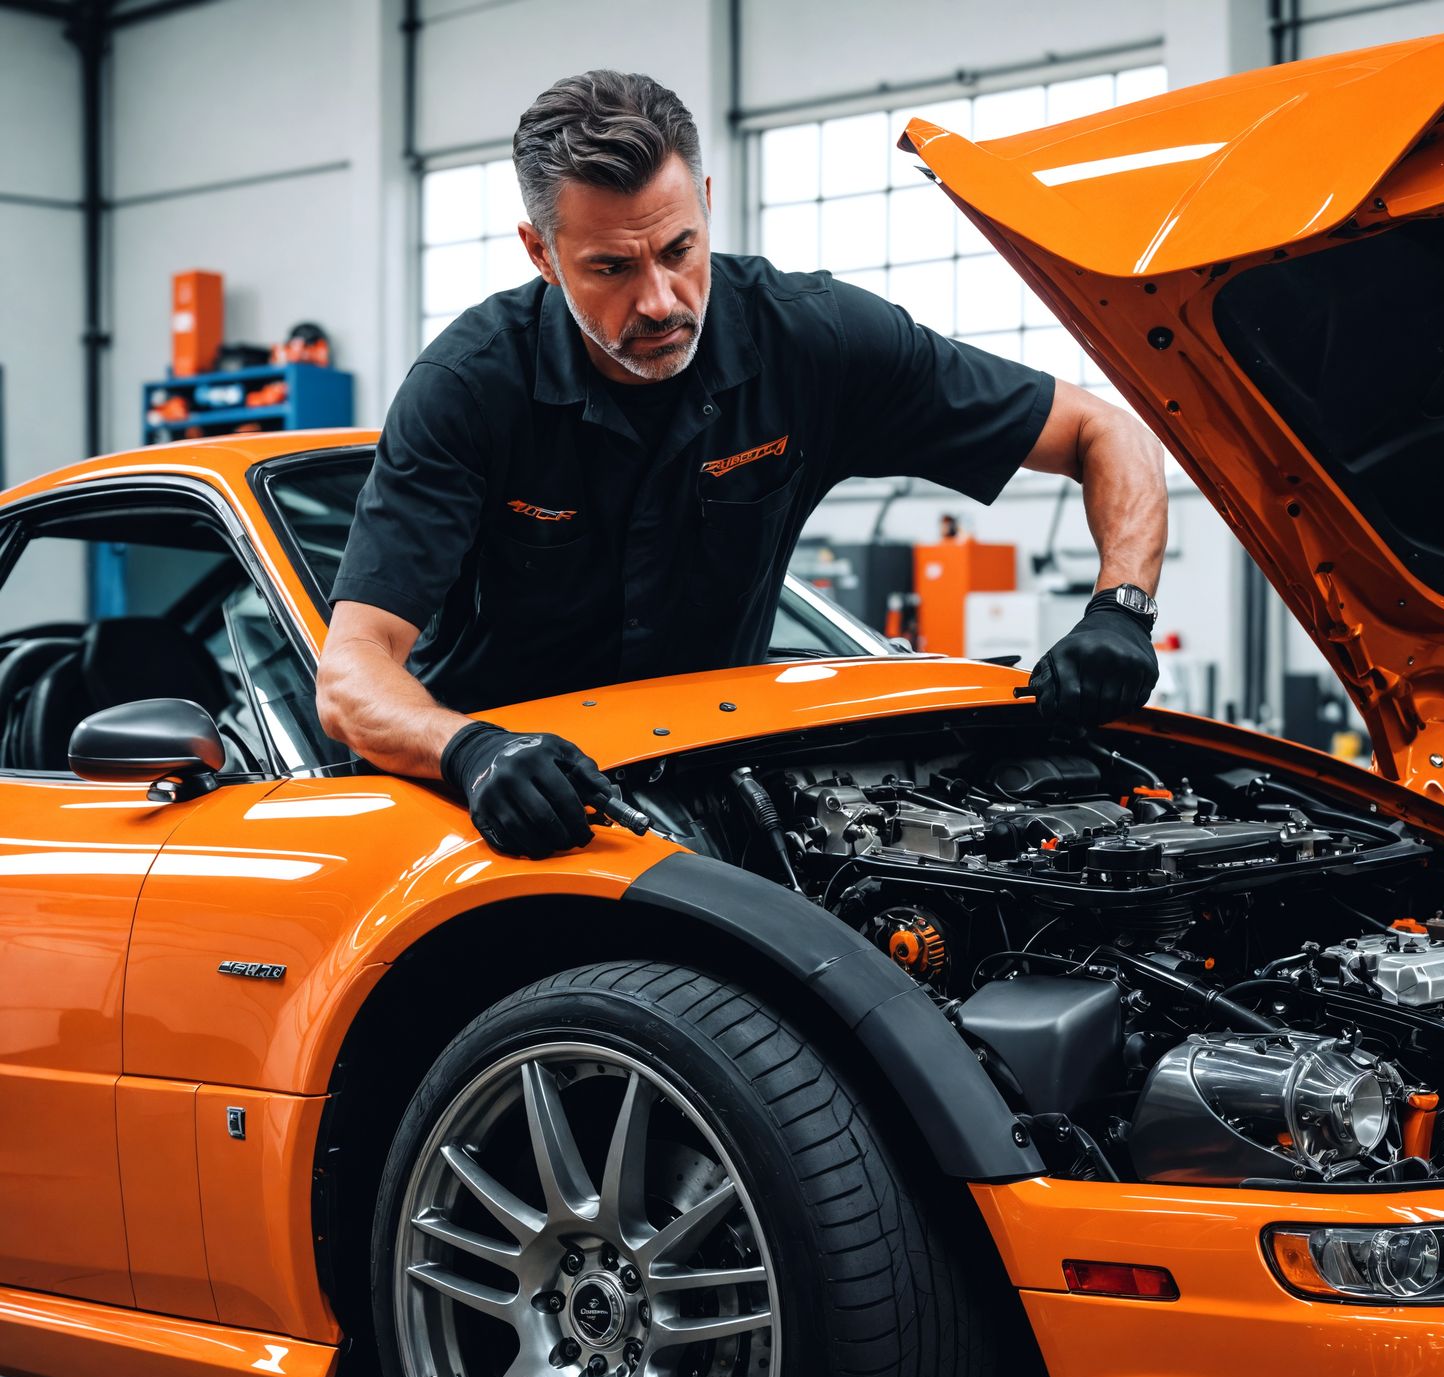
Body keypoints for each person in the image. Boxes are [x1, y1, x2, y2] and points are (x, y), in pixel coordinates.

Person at [316, 70, 1167, 860]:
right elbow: (351, 676)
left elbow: (1107, 431)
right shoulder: (468, 388)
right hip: (489, 805)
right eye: (611, 268)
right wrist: (467, 748)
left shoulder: (816, 341)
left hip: (704, 782)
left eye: (679, 250)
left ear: (708, 205)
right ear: (540, 253)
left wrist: (1121, 608)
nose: (658, 300)